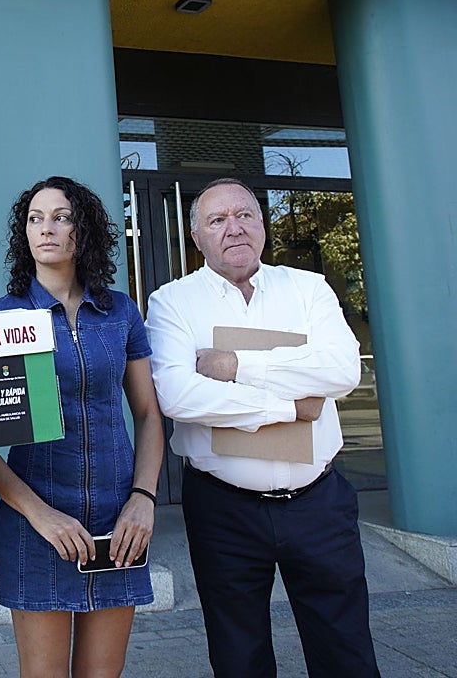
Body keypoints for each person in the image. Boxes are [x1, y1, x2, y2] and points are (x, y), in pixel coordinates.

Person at [145, 177, 380, 678]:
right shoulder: (172, 302)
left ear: (262, 225)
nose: (234, 228)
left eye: (245, 215)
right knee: (239, 656)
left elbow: (342, 371)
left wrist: (236, 366)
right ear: (196, 237)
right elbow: (179, 396)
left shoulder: (308, 288)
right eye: (217, 220)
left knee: (346, 650)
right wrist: (292, 406)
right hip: (224, 510)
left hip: (319, 503)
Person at [0, 176, 165, 678]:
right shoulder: (2, 317)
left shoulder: (120, 312)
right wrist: (40, 515)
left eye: (61, 217)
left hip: (118, 520)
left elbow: (148, 414)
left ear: (85, 230)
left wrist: (143, 498)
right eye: (35, 219)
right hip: (37, 522)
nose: (46, 228)